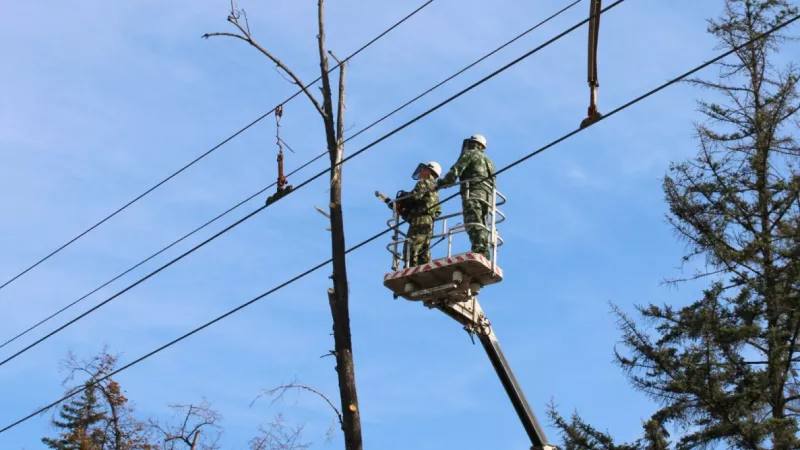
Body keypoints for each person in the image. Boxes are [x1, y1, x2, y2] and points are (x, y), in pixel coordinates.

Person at [437, 134, 495, 258]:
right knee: (482, 223)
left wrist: (439, 184)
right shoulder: (489, 161)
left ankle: (479, 250)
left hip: (473, 192)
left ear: (472, 143)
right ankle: (485, 252)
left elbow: (454, 173)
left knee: (473, 221)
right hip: (488, 196)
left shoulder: (469, 154)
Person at [399, 161, 442, 267]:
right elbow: (432, 209)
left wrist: (402, 199)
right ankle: (423, 268)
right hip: (429, 222)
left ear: (429, 171)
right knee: (423, 250)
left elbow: (414, 197)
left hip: (420, 220)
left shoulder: (424, 183)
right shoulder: (435, 189)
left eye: (423, 169)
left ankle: (410, 269)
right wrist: (405, 212)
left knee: (411, 247)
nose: (421, 172)